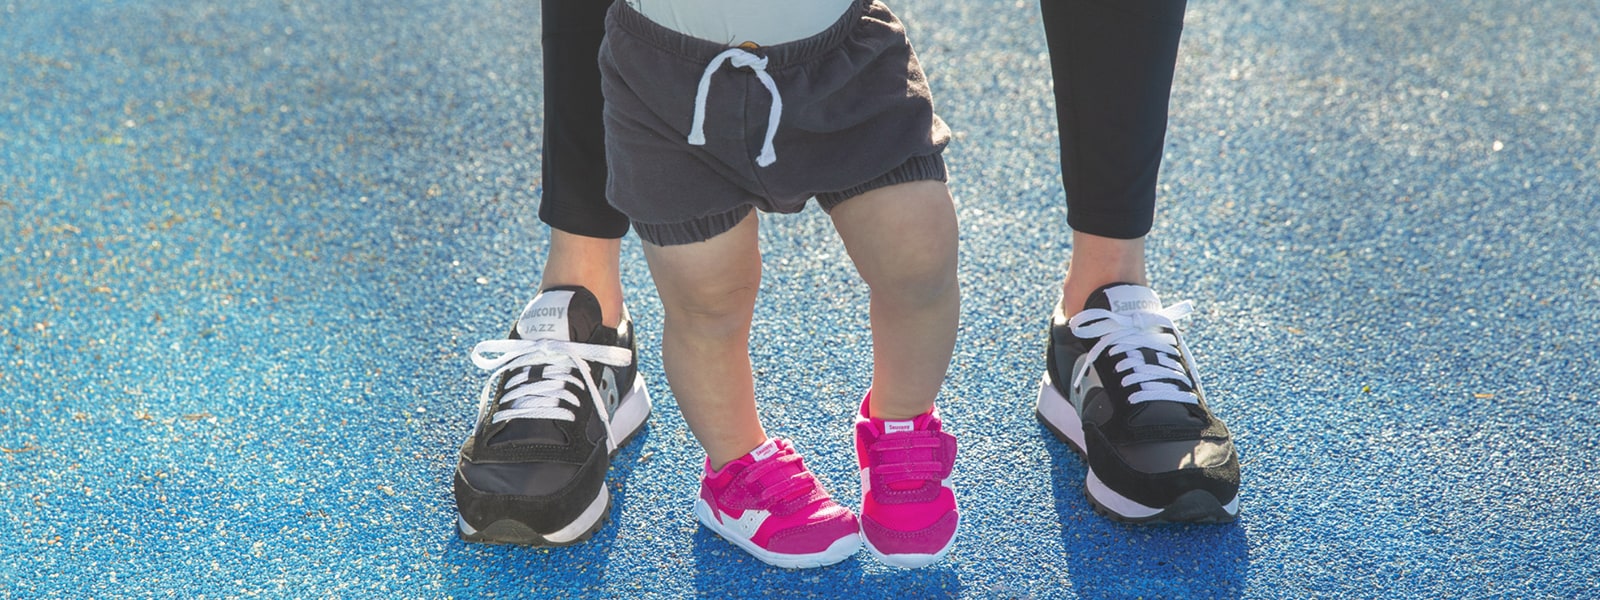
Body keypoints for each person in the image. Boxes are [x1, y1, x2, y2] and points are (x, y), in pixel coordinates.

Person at [597, 0, 961, 570]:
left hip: (844, 67)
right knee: (707, 299)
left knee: (918, 259)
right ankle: (737, 471)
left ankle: (902, 424)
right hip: (667, 85)